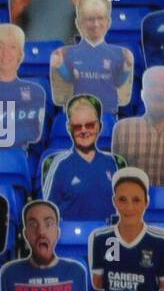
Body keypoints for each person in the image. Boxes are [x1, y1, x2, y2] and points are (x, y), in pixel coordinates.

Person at [0, 201, 89, 291]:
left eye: (48, 224)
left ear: (57, 232)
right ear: (26, 234)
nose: (41, 231)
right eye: (33, 225)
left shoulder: (76, 272)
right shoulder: (10, 273)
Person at [42, 95, 125, 224]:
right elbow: (48, 213)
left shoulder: (112, 163)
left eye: (90, 125)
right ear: (69, 129)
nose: (84, 131)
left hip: (107, 240)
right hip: (72, 241)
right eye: (77, 127)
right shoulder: (60, 165)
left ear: (99, 126)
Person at [50, 0, 134, 114]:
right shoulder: (69, 53)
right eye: (90, 19)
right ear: (79, 23)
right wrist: (60, 65)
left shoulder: (119, 54)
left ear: (108, 22)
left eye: (100, 18)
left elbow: (118, 82)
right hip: (80, 113)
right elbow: (69, 78)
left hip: (108, 112)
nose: (96, 24)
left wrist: (127, 67)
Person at [89, 168, 164, 291]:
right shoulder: (102, 238)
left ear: (146, 202)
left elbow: (162, 287)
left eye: (136, 200)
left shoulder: (160, 241)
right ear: (114, 201)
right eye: (123, 200)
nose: (129, 208)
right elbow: (98, 283)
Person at [111, 66, 164, 185]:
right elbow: (117, 178)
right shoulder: (123, 129)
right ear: (142, 94)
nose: (159, 93)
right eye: (153, 86)